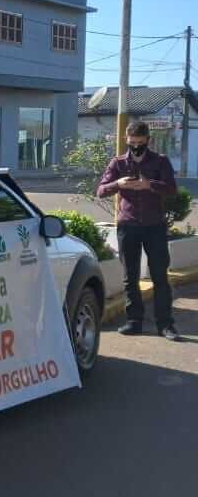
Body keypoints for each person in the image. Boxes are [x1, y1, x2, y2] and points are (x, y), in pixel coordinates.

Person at [97, 120, 179, 340]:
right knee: (130, 277)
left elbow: (172, 189)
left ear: (147, 141)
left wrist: (149, 184)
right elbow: (101, 191)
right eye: (132, 143)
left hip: (155, 226)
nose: (135, 147)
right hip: (128, 226)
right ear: (126, 140)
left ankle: (165, 325)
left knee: (160, 276)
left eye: (140, 143)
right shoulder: (118, 163)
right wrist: (119, 184)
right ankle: (134, 322)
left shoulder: (160, 161)